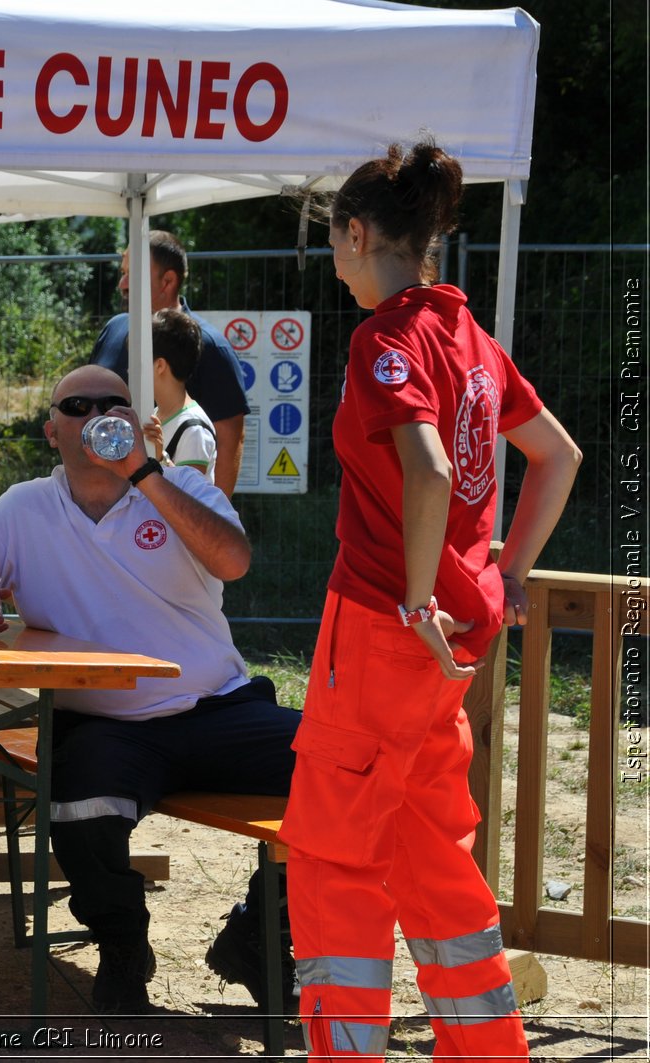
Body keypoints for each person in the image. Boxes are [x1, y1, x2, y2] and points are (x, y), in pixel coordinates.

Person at [281, 141, 580, 1061]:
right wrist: (512, 569)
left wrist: (416, 596)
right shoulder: (471, 337)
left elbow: (430, 468)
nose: (334, 263)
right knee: (431, 849)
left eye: (334, 244)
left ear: (362, 234)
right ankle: (488, 1051)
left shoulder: (389, 338)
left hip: (384, 627)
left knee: (337, 861)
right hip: (451, 641)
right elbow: (557, 454)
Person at [0, 364, 301, 1015]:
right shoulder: (25, 507)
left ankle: (260, 929)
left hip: (217, 707)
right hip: (105, 723)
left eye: (114, 403)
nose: (98, 412)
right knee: (78, 806)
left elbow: (233, 561)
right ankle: (123, 943)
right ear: (52, 430)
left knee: (351, 766)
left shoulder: (179, 485)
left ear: (138, 420)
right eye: (79, 404)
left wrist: (144, 472)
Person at [89, 230, 249, 496]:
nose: (122, 284)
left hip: (167, 516)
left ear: (168, 281)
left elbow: (230, 440)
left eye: (132, 274)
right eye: (123, 272)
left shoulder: (210, 346)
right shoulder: (114, 329)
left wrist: (211, 524)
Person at [150, 307, 217, 482]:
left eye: (137, 358)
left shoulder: (194, 431)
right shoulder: (156, 414)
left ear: (160, 366)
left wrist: (160, 458)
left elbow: (189, 500)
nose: (129, 368)